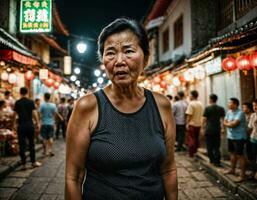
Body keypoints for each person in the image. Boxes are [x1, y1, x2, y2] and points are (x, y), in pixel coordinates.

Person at [65, 18, 178, 200]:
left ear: (146, 58)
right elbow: (73, 177)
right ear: (103, 60)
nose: (119, 61)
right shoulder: (87, 106)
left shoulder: (162, 105)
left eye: (128, 51)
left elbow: (169, 170)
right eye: (110, 53)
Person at [13, 87, 41, 170]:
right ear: (27, 92)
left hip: (21, 126)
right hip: (30, 125)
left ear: (20, 93)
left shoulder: (17, 102)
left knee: (22, 145)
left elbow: (14, 115)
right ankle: (33, 162)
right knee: (31, 144)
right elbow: (34, 113)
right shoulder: (30, 102)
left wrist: (13, 124)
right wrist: (38, 123)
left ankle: (24, 164)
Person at [224, 98, 247, 182]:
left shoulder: (240, 113)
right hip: (231, 136)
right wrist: (229, 123)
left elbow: (234, 124)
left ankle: (242, 175)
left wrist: (229, 123)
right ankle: (232, 169)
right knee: (232, 153)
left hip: (239, 137)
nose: (228, 104)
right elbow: (225, 121)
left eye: (230, 103)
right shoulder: (229, 112)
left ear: (235, 105)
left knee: (240, 155)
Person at [202, 94, 225, 166]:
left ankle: (212, 160)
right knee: (216, 146)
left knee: (209, 146)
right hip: (217, 129)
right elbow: (222, 120)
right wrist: (223, 128)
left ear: (211, 99)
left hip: (209, 129)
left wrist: (202, 128)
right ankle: (217, 161)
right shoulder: (221, 108)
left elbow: (204, 119)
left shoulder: (207, 108)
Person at [185, 90, 203, 157]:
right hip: (198, 124)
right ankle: (195, 152)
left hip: (192, 124)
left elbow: (189, 115)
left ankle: (191, 154)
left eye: (190, 95)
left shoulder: (191, 104)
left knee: (191, 139)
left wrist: (187, 124)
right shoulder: (200, 103)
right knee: (196, 138)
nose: (189, 96)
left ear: (192, 95)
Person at [248, 99, 257, 180]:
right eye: (254, 105)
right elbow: (250, 127)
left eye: (256, 105)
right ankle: (253, 173)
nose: (255, 107)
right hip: (253, 138)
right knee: (253, 157)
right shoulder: (253, 115)